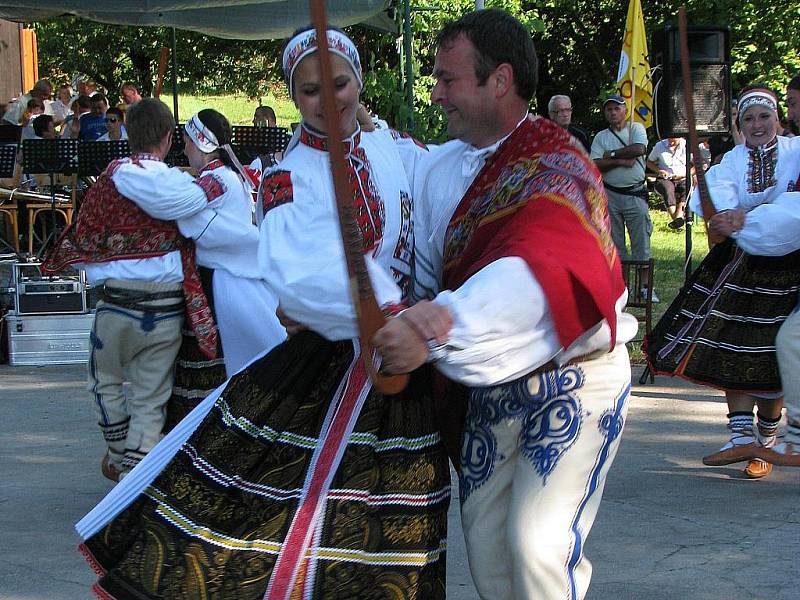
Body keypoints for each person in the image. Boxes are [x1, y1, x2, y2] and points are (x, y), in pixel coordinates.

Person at [75, 27, 448, 599]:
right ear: (295, 97)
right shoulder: (288, 175)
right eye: (310, 91)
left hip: (402, 367)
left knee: (392, 535)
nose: (331, 99)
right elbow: (301, 276)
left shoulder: (392, 147)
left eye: (340, 83)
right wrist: (393, 312)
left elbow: (434, 207)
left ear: (359, 80)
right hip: (334, 364)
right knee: (294, 529)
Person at [374, 9, 636, 600]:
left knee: (537, 547)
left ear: (500, 79)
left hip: (574, 378)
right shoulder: (438, 168)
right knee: (490, 558)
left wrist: (441, 324)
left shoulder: (557, 165)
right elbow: (417, 269)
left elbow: (536, 268)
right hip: (489, 390)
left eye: (448, 79)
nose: (436, 93)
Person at [42, 98, 218, 483]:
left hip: (117, 305)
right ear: (170, 138)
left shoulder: (108, 182)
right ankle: (132, 481)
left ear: (126, 133)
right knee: (150, 401)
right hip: (167, 308)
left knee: (102, 383)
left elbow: (83, 236)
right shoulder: (181, 184)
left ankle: (119, 454)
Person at [644, 87, 800, 479]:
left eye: (764, 116)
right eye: (749, 119)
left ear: (778, 119)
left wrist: (747, 217)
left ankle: (764, 439)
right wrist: (727, 213)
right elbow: (718, 192)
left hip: (789, 265)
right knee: (732, 340)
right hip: (741, 263)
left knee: (774, 349)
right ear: (740, 125)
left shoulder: (795, 151)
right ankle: (738, 434)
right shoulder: (733, 159)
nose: (758, 125)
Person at [112, 108, 286, 429]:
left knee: (209, 366)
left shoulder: (216, 180)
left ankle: (198, 435)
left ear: (200, 141)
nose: (184, 147)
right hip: (213, 283)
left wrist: (142, 179)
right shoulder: (218, 178)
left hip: (216, 287)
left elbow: (182, 208)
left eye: (188, 141)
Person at [591, 94, 656, 300]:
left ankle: (645, 287)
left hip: (635, 193)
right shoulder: (601, 136)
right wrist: (619, 160)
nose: (613, 112)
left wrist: (610, 154)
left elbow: (639, 149)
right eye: (609, 109)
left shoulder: (636, 128)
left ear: (624, 110)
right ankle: (622, 286)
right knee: (615, 242)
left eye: (616, 108)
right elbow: (595, 163)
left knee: (641, 241)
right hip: (611, 194)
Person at [646, 136, 690, 228]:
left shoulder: (687, 145)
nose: (671, 143)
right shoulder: (659, 146)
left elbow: (696, 165)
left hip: (683, 177)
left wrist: (686, 174)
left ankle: (677, 219)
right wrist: (659, 171)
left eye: (674, 141)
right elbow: (649, 162)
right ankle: (677, 219)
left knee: (686, 189)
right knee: (667, 189)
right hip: (666, 178)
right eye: (670, 140)